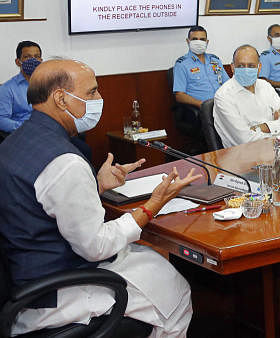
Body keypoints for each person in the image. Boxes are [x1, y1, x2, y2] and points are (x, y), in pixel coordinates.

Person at [0, 59, 202, 337]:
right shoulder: (65, 162)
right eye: (92, 92)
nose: (100, 99)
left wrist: (95, 185)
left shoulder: (16, 141)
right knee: (175, 295)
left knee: (152, 265)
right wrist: (153, 204)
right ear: (61, 99)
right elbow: (96, 247)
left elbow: (40, 201)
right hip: (54, 292)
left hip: (25, 268)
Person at [213, 45, 280, 148]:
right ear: (232, 67)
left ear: (259, 67)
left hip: (275, 150)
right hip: (242, 157)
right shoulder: (224, 96)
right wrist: (278, 127)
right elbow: (245, 139)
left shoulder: (265, 86)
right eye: (240, 66)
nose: (246, 70)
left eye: (251, 66)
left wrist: (265, 126)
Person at [173, 25, 229, 109]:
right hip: (204, 108)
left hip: (223, 104)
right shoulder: (182, 64)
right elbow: (179, 95)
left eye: (202, 39)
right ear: (188, 41)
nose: (198, 42)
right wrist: (202, 104)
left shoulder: (215, 60)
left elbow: (228, 84)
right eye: (195, 39)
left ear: (207, 42)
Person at [0, 41, 42, 133]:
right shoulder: (7, 89)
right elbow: (2, 119)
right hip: (25, 133)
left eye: (36, 56)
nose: (33, 60)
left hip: (51, 131)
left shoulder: (50, 84)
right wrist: (25, 128)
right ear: (18, 62)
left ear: (41, 61)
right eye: (27, 57)